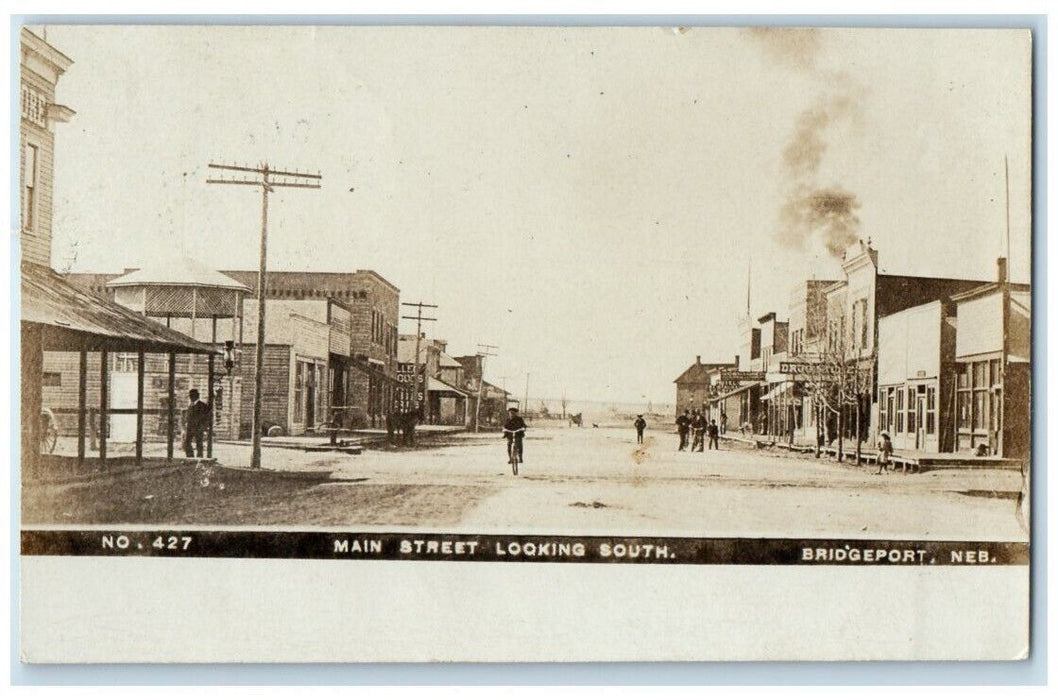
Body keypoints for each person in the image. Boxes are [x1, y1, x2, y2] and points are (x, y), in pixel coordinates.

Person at [183, 389, 211, 458]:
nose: (190, 397)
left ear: (196, 396)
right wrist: (186, 423)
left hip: (198, 428)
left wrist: (204, 428)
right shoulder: (190, 405)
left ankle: (199, 458)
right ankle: (190, 457)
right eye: (190, 396)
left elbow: (206, 418)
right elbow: (188, 416)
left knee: (199, 444)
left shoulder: (203, 405)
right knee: (187, 443)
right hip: (190, 428)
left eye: (192, 396)